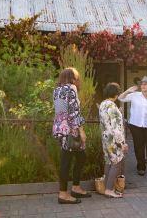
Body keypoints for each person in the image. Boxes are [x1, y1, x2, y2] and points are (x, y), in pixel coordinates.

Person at [53, 67, 92, 204]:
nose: (78, 79)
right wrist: (81, 131)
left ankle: (75, 187)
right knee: (66, 161)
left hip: (60, 128)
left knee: (80, 157)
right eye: (77, 77)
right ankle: (63, 194)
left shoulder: (57, 89)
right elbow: (74, 111)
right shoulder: (71, 88)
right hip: (70, 129)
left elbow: (61, 110)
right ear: (71, 78)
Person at [118, 76, 147, 176]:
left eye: (145, 84)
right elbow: (120, 98)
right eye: (142, 84)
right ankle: (141, 168)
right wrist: (128, 91)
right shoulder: (134, 95)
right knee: (139, 147)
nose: (143, 86)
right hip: (136, 125)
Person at [99, 83, 128, 198]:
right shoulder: (112, 107)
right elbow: (116, 128)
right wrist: (122, 144)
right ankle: (109, 190)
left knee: (109, 162)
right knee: (116, 164)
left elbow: (107, 121)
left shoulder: (103, 104)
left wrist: (118, 112)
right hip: (114, 141)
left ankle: (105, 187)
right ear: (116, 94)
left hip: (106, 139)